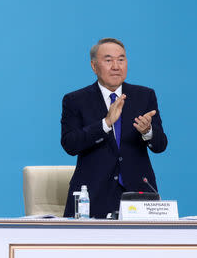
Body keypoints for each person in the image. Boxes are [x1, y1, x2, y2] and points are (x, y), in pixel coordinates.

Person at [61, 38, 167, 218]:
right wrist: (105, 124)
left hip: (139, 193)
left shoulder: (144, 95)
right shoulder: (75, 100)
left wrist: (147, 132)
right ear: (94, 66)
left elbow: (160, 145)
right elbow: (70, 144)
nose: (116, 66)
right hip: (93, 194)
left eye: (121, 59)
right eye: (108, 60)